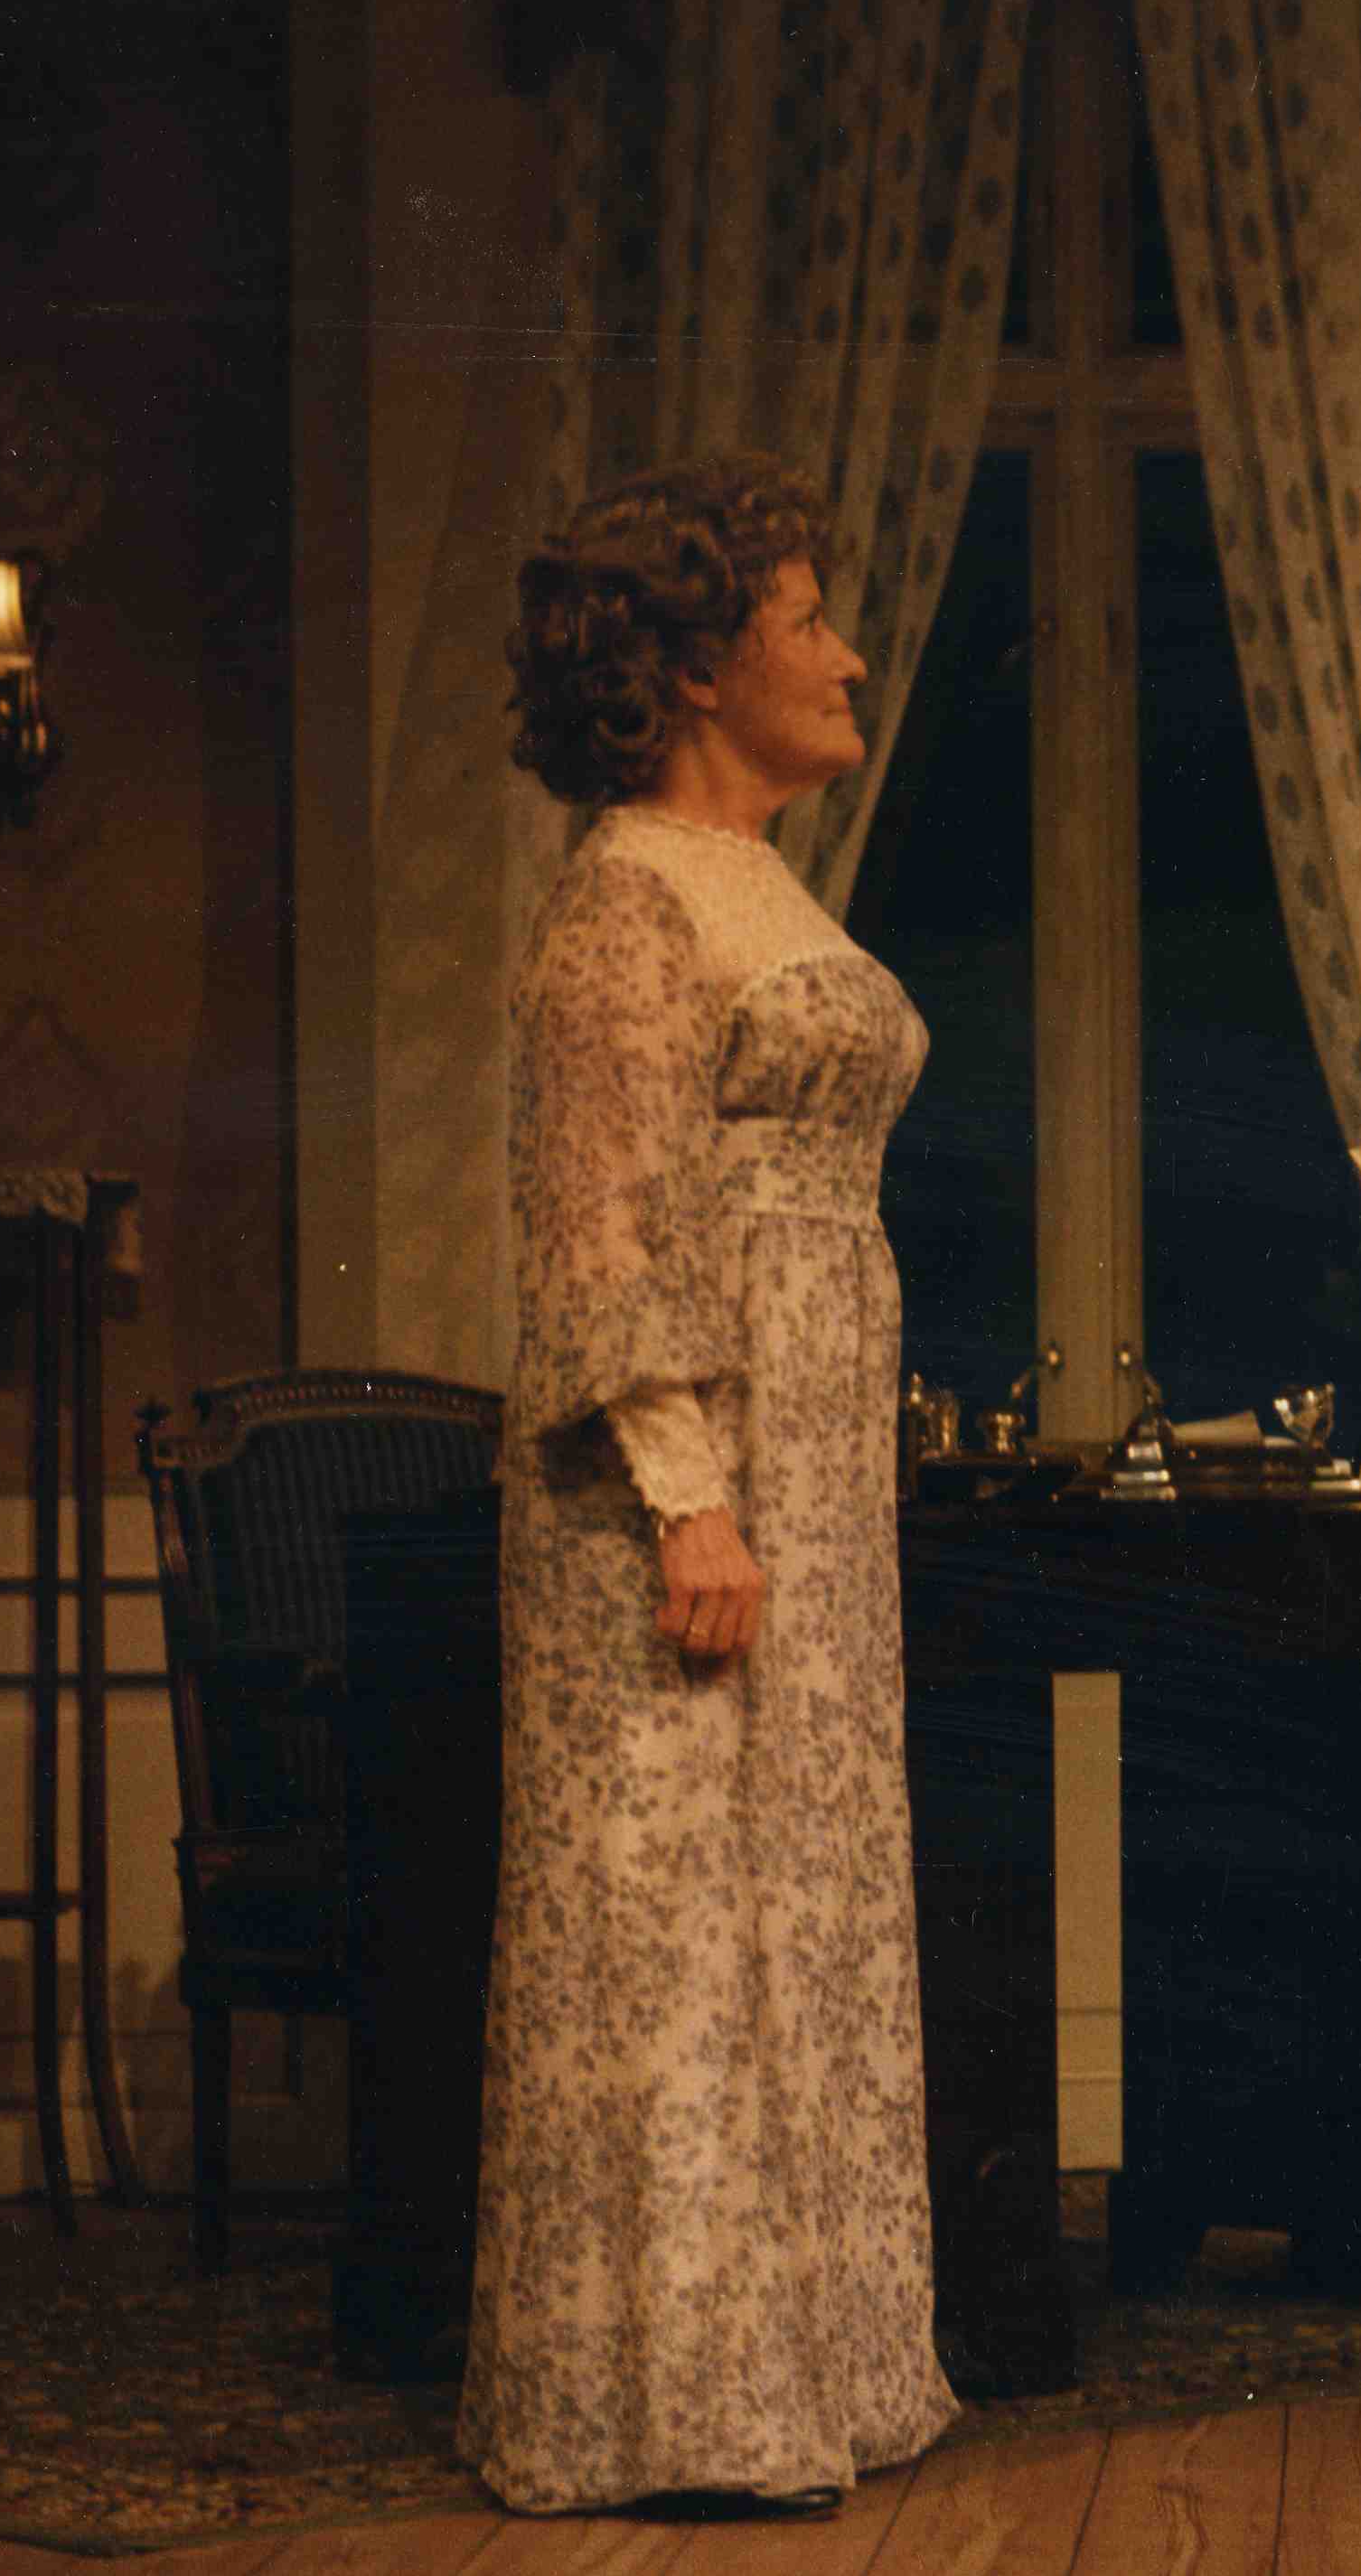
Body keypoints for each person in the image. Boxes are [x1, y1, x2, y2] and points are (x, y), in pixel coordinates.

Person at [464, 454, 954, 2518]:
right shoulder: (626, 899)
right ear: (691, 667)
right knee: (672, 1909)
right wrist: (689, 1494)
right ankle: (672, 2402)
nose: (848, 657)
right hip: (684, 1485)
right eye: (807, 620)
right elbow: (601, 1219)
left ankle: (808, 2371)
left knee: (796, 1900)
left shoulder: (761, 887)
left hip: (813, 1457)